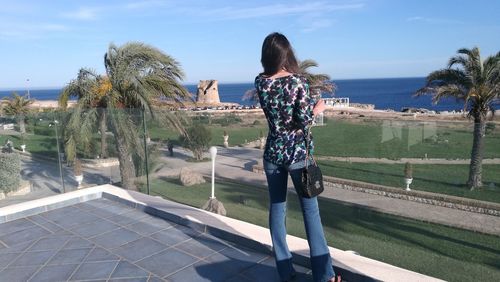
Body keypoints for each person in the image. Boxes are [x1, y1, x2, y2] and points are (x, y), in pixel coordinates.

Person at [254, 32, 339, 282]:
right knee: (310, 212)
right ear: (287, 53)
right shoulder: (298, 82)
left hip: (272, 153)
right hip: (297, 155)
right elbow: (304, 121)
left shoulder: (260, 82)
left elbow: (277, 117)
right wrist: (318, 108)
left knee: (277, 209)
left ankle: (285, 272)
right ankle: (324, 275)